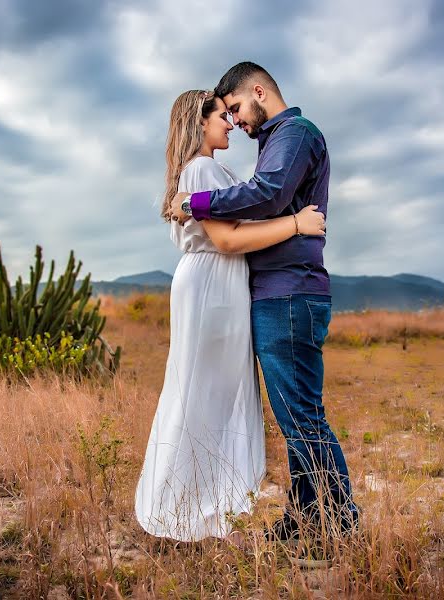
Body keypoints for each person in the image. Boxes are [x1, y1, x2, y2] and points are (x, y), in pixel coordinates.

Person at [170, 62, 358, 542]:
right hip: (280, 293)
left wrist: (196, 204)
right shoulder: (277, 141)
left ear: (259, 91)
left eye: (235, 108)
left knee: (302, 418)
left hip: (289, 293)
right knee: (297, 418)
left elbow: (268, 194)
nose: (235, 120)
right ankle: (304, 517)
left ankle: (337, 525)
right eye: (227, 114)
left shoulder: (294, 134)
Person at [134, 89, 326, 542]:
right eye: (223, 115)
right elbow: (226, 240)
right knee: (205, 395)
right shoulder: (200, 168)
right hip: (214, 285)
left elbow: (237, 227)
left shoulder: (207, 169)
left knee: (208, 393)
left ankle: (206, 508)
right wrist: (296, 224)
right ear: (199, 122)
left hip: (217, 284)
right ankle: (187, 508)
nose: (231, 124)